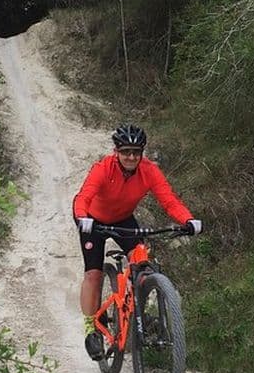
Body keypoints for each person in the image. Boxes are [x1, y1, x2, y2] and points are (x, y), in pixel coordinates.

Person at [72, 124, 202, 360]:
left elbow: (169, 200)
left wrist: (189, 220)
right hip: (93, 221)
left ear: (142, 153)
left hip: (123, 219)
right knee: (93, 273)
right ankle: (91, 328)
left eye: (136, 152)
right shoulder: (102, 169)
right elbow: (84, 196)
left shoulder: (149, 170)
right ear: (116, 151)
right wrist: (82, 217)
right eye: (126, 152)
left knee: (142, 261)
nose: (131, 157)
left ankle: (137, 312)